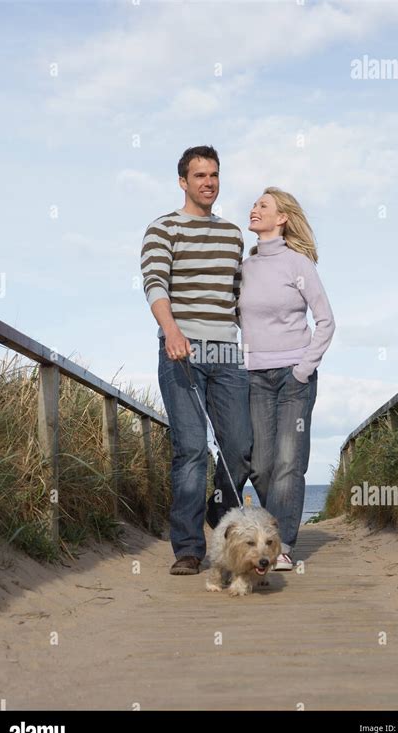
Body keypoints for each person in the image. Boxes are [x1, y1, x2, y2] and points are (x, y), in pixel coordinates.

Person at [141, 145, 253, 575]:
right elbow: (155, 283)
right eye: (199, 175)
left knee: (240, 448)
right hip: (181, 350)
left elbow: (238, 299)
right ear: (183, 181)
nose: (208, 182)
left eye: (214, 175)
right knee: (190, 450)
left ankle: (217, 510)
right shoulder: (163, 228)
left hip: (227, 353)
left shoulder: (231, 235)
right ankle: (188, 549)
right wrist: (171, 331)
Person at [238, 187, 335, 570]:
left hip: (295, 375)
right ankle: (273, 533)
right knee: (262, 464)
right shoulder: (244, 267)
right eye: (255, 204)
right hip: (254, 377)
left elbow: (326, 321)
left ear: (282, 218)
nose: (254, 209)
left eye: (263, 205)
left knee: (290, 461)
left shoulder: (299, 265)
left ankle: (280, 548)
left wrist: (303, 369)